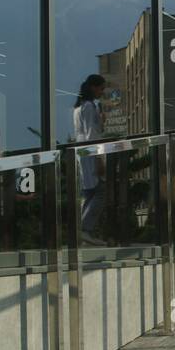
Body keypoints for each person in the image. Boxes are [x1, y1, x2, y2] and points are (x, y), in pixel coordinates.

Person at [73, 74, 108, 246]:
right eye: (101, 88)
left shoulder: (78, 108)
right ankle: (85, 229)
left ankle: (83, 234)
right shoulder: (89, 106)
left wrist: (101, 122)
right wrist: (99, 159)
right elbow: (92, 135)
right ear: (93, 87)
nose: (102, 92)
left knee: (88, 193)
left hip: (83, 154)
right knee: (100, 191)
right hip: (91, 153)